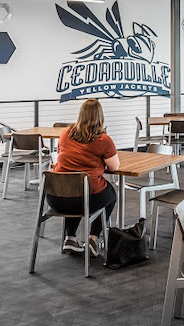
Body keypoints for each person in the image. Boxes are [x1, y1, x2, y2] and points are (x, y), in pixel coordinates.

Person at [46, 99, 120, 257]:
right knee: (111, 195)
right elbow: (114, 167)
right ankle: (93, 239)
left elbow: (61, 155)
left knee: (72, 188)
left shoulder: (65, 133)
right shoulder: (103, 140)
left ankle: (70, 238)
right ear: (100, 117)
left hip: (55, 198)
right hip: (83, 200)